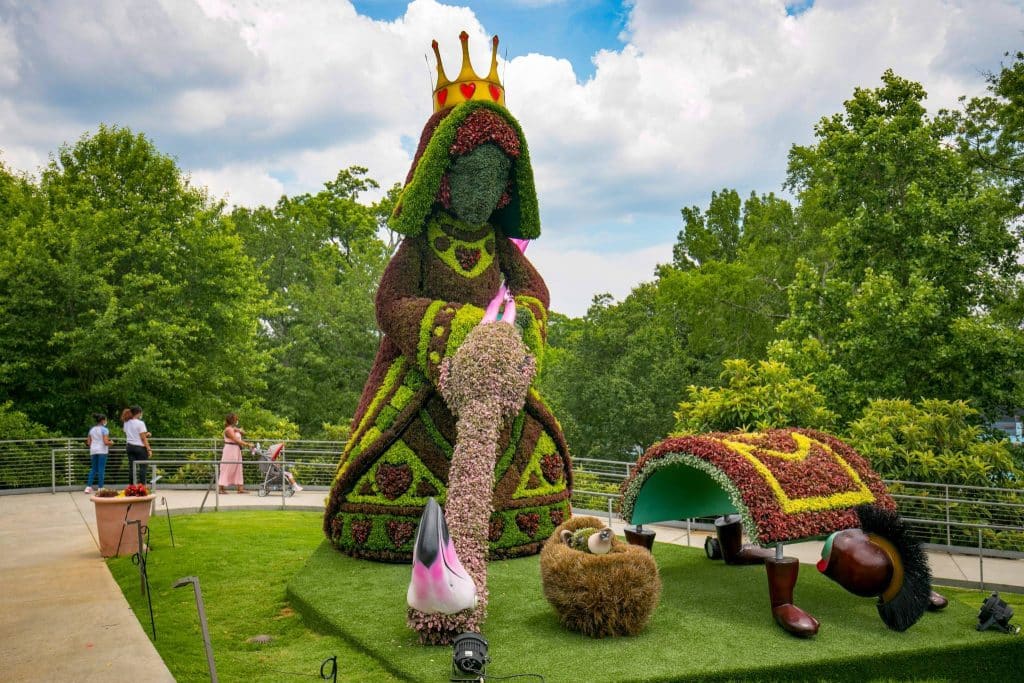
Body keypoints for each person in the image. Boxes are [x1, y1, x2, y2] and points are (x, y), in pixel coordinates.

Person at [219, 413, 250, 494]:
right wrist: (247, 444)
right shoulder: (228, 430)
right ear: (232, 420)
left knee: (238, 468)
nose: (237, 420)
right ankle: (221, 488)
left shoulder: (233, 428)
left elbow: (244, 433)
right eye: (236, 419)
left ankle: (240, 489)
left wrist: (239, 430)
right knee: (227, 467)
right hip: (230, 450)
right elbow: (236, 439)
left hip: (236, 450)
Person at [122, 405, 151, 485]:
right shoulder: (140, 423)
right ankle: (142, 487)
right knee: (143, 467)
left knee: (132, 467)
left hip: (129, 447)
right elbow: (143, 438)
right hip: (140, 448)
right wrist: (149, 449)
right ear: (138, 413)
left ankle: (131, 487)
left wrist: (145, 434)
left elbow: (129, 433)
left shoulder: (126, 422)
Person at [84, 413, 113, 493]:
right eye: (105, 420)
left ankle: (88, 487)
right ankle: (100, 488)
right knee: (101, 469)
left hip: (93, 450)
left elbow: (88, 443)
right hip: (102, 451)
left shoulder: (91, 429)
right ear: (103, 420)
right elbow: (106, 442)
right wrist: (111, 442)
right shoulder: (105, 429)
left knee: (93, 469)